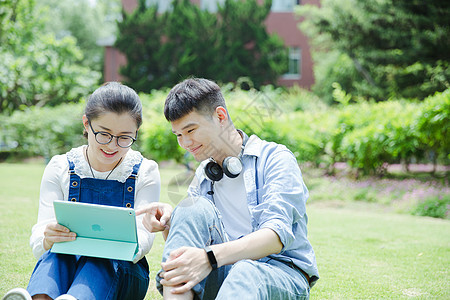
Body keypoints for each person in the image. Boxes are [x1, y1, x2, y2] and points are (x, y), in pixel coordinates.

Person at [138, 78, 319, 300]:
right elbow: (190, 251)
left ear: (220, 117)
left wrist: (209, 258)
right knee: (188, 208)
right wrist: (169, 225)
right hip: (224, 272)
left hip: (280, 275)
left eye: (191, 130)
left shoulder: (276, 159)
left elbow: (275, 236)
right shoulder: (203, 174)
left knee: (246, 271)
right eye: (178, 135)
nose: (185, 143)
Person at [2, 82, 161, 300]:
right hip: (66, 263)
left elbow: (144, 239)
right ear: (86, 124)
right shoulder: (61, 167)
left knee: (99, 257)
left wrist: (118, 244)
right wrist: (48, 236)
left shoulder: (145, 171)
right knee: (56, 254)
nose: (112, 146)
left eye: (125, 137)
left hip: (122, 272)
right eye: (104, 134)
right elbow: (40, 236)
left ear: (136, 132)